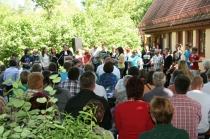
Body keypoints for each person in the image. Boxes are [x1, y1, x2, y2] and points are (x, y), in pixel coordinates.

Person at [169, 75, 201, 139]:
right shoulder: (196, 105)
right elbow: (198, 121)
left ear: (174, 87)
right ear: (189, 88)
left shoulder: (166, 104)